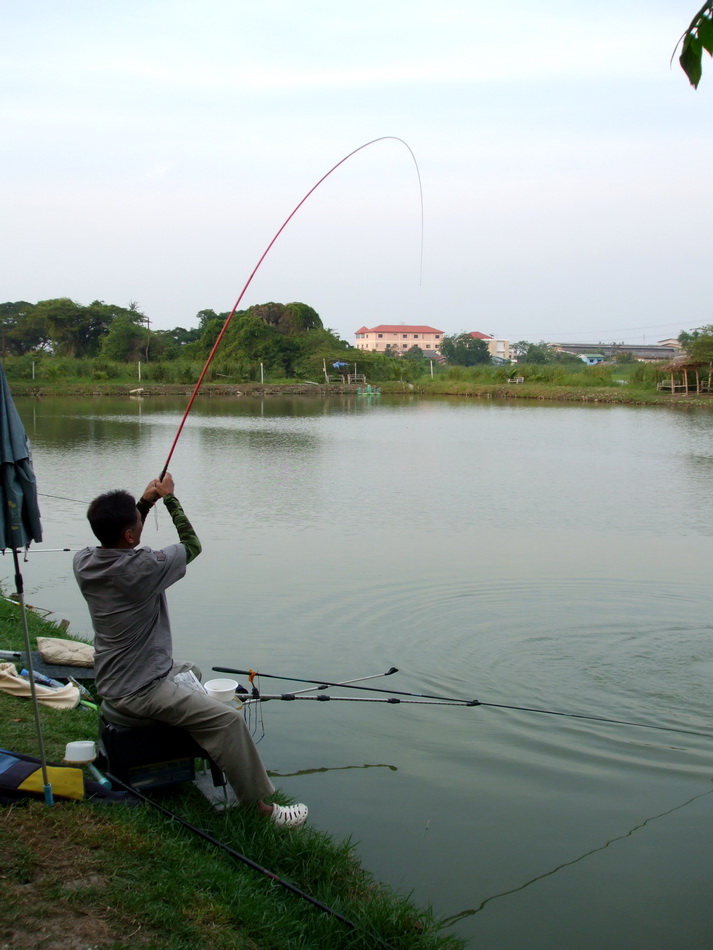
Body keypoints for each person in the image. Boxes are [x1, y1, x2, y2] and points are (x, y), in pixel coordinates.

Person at [73, 472, 308, 827]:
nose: (138, 528)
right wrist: (169, 499)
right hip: (140, 691)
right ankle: (260, 809)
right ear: (130, 534)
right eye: (137, 523)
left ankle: (195, 751)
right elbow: (192, 545)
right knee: (227, 720)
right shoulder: (142, 568)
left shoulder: (85, 562)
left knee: (191, 671)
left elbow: (125, 538)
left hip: (114, 680)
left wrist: (145, 502)